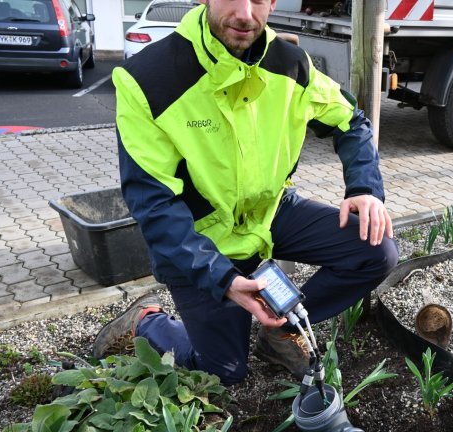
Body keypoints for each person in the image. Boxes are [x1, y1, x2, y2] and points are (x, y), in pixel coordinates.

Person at [92, 0, 398, 385]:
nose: (244, 14)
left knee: (375, 249)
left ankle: (279, 331)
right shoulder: (148, 79)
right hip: (199, 239)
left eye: (258, 0)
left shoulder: (292, 64)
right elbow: (153, 204)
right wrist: (224, 280)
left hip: (269, 215)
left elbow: (351, 121)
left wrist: (365, 187)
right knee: (223, 372)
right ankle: (147, 321)